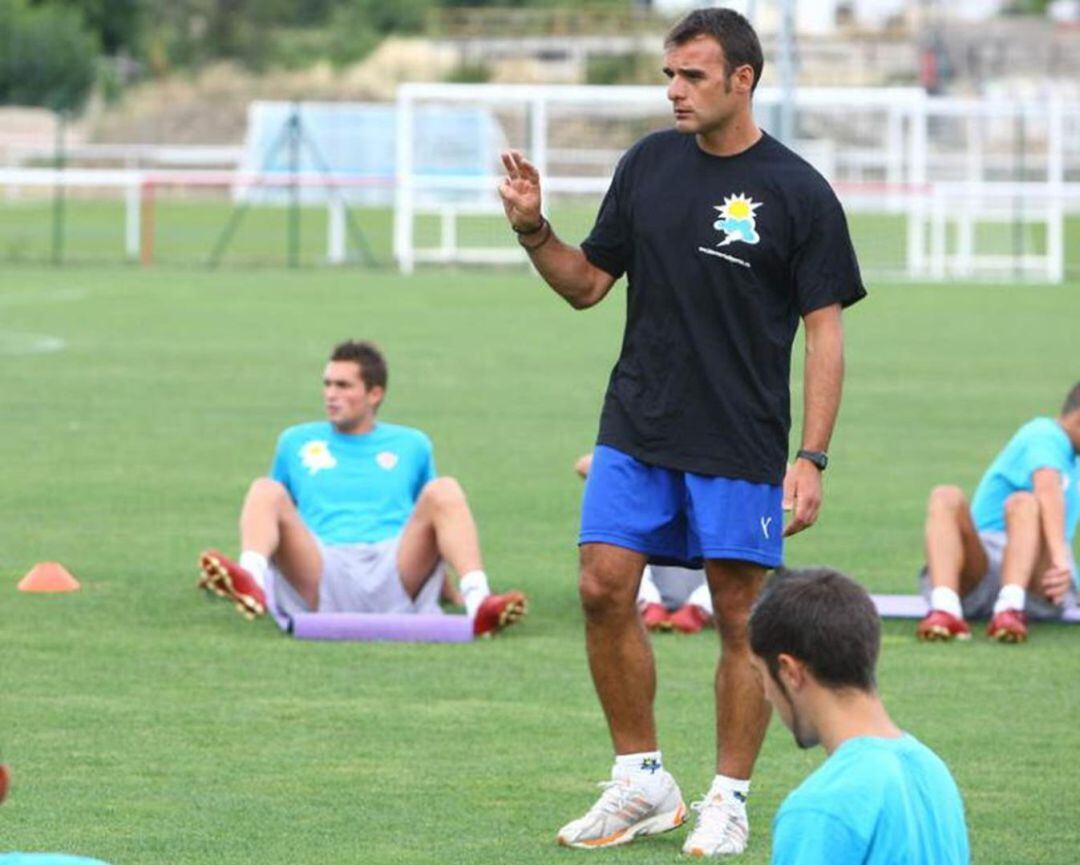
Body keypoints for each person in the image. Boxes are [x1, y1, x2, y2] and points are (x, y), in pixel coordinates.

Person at [499, 7, 865, 856]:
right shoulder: (647, 165)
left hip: (740, 437)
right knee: (600, 583)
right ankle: (641, 779)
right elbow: (587, 284)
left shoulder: (799, 190)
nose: (674, 91)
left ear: (743, 79)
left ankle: (727, 796)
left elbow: (826, 332)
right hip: (638, 420)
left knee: (742, 618)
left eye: (692, 75)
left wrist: (811, 455)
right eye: (669, 74)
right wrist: (531, 228)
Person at [197, 340, 527, 638]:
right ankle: (250, 581)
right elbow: (272, 520)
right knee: (265, 489)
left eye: (343, 385)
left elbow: (434, 524)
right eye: (327, 384)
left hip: (394, 567)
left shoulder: (412, 444)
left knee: (445, 490)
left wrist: (450, 591)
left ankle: (478, 602)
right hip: (320, 567)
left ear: (374, 393)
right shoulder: (295, 441)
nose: (330, 394)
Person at [749, 567, 970, 865]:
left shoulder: (819, 807)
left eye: (761, 676)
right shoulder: (932, 772)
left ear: (790, 671)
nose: (765, 694)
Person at [917, 382, 1080, 643]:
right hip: (982, 568)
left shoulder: (1073, 457)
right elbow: (1047, 488)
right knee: (948, 497)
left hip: (1032, 586)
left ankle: (1009, 608)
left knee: (1023, 502)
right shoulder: (1045, 435)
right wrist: (1062, 560)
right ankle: (945, 607)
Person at [576, 452, 713, 634]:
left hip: (701, 567)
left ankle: (699, 608)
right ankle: (649, 603)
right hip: (658, 566)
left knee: (741, 551)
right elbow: (584, 465)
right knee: (624, 529)